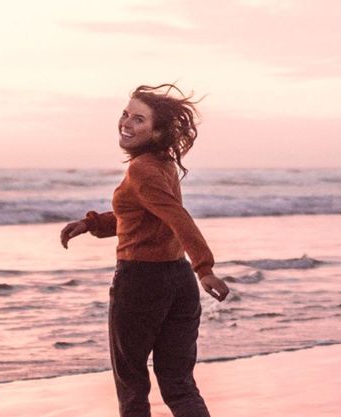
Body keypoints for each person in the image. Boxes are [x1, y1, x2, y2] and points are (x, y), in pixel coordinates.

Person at [59, 83, 229, 417]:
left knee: (132, 386)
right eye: (126, 114)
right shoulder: (163, 164)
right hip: (179, 281)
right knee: (179, 384)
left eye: (139, 119)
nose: (126, 123)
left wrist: (205, 268)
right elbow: (144, 216)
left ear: (158, 131)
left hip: (140, 282)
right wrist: (92, 224)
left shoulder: (141, 169)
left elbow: (177, 217)